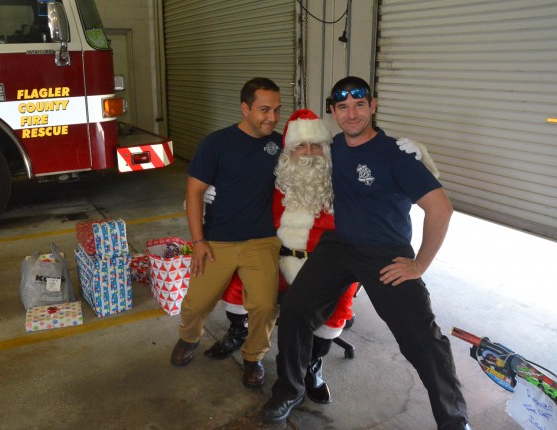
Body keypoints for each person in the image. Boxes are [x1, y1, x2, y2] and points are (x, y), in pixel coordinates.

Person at [261, 76, 471, 430]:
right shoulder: (333, 147)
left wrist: (420, 264)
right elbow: (292, 163)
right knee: (295, 308)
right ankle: (290, 389)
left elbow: (440, 208)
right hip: (340, 245)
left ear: (372, 106)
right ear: (333, 112)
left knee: (422, 338)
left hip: (386, 253)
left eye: (360, 105)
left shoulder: (397, 155)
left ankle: (454, 421)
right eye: (343, 107)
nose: (352, 114)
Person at [202, 109, 359, 404]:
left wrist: (411, 155)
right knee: (238, 278)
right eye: (301, 145)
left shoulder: (341, 181)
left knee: (339, 300)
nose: (309, 153)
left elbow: (376, 173)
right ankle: (240, 332)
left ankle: (312, 363)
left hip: (321, 266)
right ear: (289, 151)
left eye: (316, 146)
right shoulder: (275, 179)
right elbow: (237, 193)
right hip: (274, 258)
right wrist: (209, 195)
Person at [170, 77, 283, 389]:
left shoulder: (279, 144)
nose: (272, 117)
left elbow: (315, 159)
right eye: (264, 110)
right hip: (216, 238)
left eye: (276, 109)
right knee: (195, 304)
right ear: (244, 108)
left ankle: (253, 356)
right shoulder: (215, 144)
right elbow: (194, 193)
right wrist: (198, 241)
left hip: (261, 238)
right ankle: (189, 338)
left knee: (264, 305)